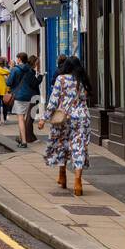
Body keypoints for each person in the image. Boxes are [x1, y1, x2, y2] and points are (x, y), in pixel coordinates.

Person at [39, 56, 92, 196]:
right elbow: (85, 98)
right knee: (79, 147)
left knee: (61, 144)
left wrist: (43, 118)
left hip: (64, 117)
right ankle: (78, 181)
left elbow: (53, 101)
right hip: (82, 117)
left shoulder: (61, 79)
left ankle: (62, 175)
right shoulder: (83, 80)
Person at [8, 53, 38, 148]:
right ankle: (21, 137)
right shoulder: (29, 69)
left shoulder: (15, 69)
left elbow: (9, 82)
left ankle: (24, 141)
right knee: (24, 118)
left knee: (20, 119)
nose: (16, 60)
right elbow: (33, 82)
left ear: (20, 59)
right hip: (28, 96)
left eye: (17, 58)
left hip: (19, 96)